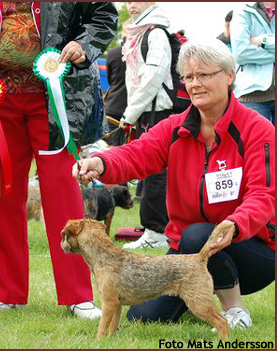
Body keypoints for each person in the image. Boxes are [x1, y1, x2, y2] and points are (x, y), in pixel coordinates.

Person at [74, 39, 275, 329]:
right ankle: (201, 296)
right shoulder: (174, 127)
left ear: (230, 76)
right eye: (189, 77)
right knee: (143, 318)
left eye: (205, 75)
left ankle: (235, 310)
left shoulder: (257, 129)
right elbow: (135, 154)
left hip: (250, 249)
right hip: (187, 254)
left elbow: (263, 194)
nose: (195, 83)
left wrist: (236, 223)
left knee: (197, 235)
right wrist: (101, 163)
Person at [0, 2, 117, 318]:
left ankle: (78, 295)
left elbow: (104, 15)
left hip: (54, 99)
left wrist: (83, 44)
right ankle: (6, 294)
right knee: (0, 193)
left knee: (63, 192)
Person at [118, 2, 173, 249]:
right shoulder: (140, 32)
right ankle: (156, 230)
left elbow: (153, 77)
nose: (131, 5)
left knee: (155, 173)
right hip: (147, 114)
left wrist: (130, 113)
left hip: (157, 113)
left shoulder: (156, 33)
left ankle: (156, 232)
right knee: (153, 172)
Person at [231, 2, 275, 124]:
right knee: (256, 142)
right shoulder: (243, 10)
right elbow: (241, 53)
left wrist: (263, 41)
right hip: (251, 95)